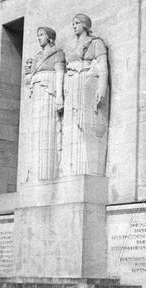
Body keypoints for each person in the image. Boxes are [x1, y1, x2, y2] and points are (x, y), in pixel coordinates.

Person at [60, 13, 109, 176]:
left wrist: (102, 88)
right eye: (73, 23)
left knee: (85, 125)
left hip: (87, 83)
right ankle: (71, 172)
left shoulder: (96, 43)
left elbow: (102, 66)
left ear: (85, 25)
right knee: (72, 127)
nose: (74, 26)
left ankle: (87, 171)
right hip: (72, 84)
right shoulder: (71, 45)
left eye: (77, 23)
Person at [24, 26, 65, 182]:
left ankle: (47, 175)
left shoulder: (57, 53)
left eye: (41, 35)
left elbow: (60, 73)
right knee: (36, 134)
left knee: (48, 130)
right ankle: (35, 176)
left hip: (49, 93)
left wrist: (59, 96)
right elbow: (28, 80)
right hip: (37, 94)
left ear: (49, 37)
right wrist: (28, 75)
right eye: (37, 35)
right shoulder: (36, 57)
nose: (38, 37)